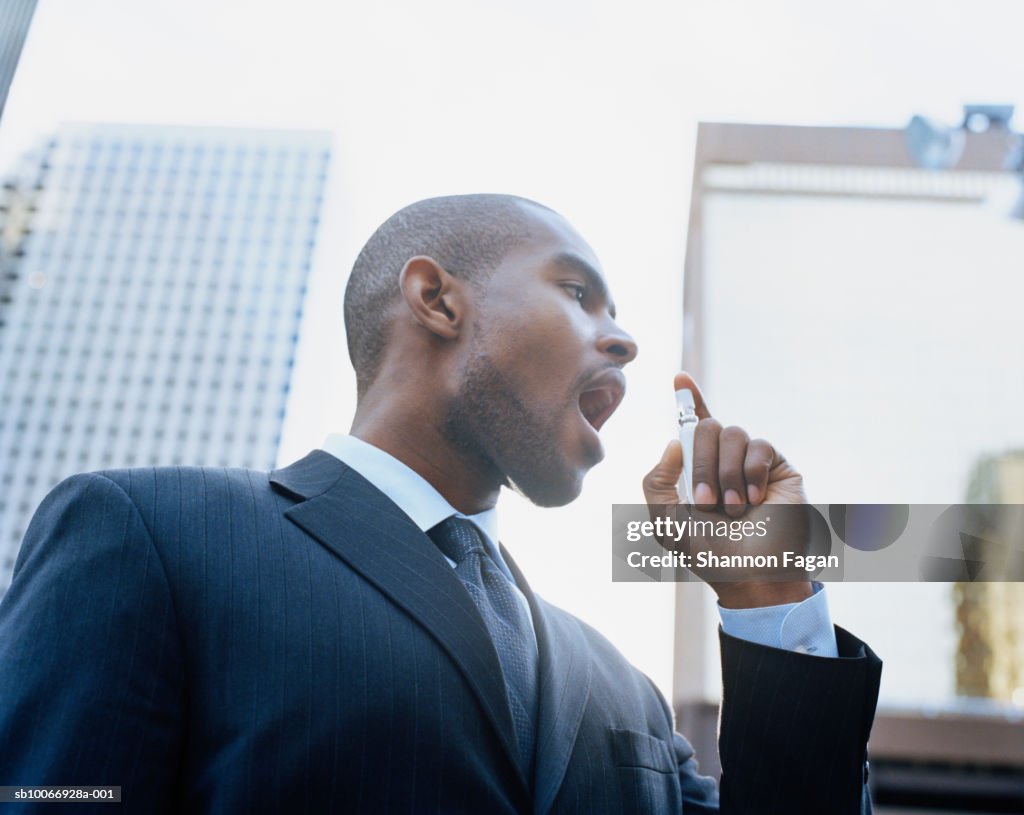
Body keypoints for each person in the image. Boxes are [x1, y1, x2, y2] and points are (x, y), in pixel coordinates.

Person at [0, 194, 881, 813]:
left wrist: (771, 605)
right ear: (436, 298)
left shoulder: (627, 692)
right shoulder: (148, 534)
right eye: (578, 294)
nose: (623, 338)